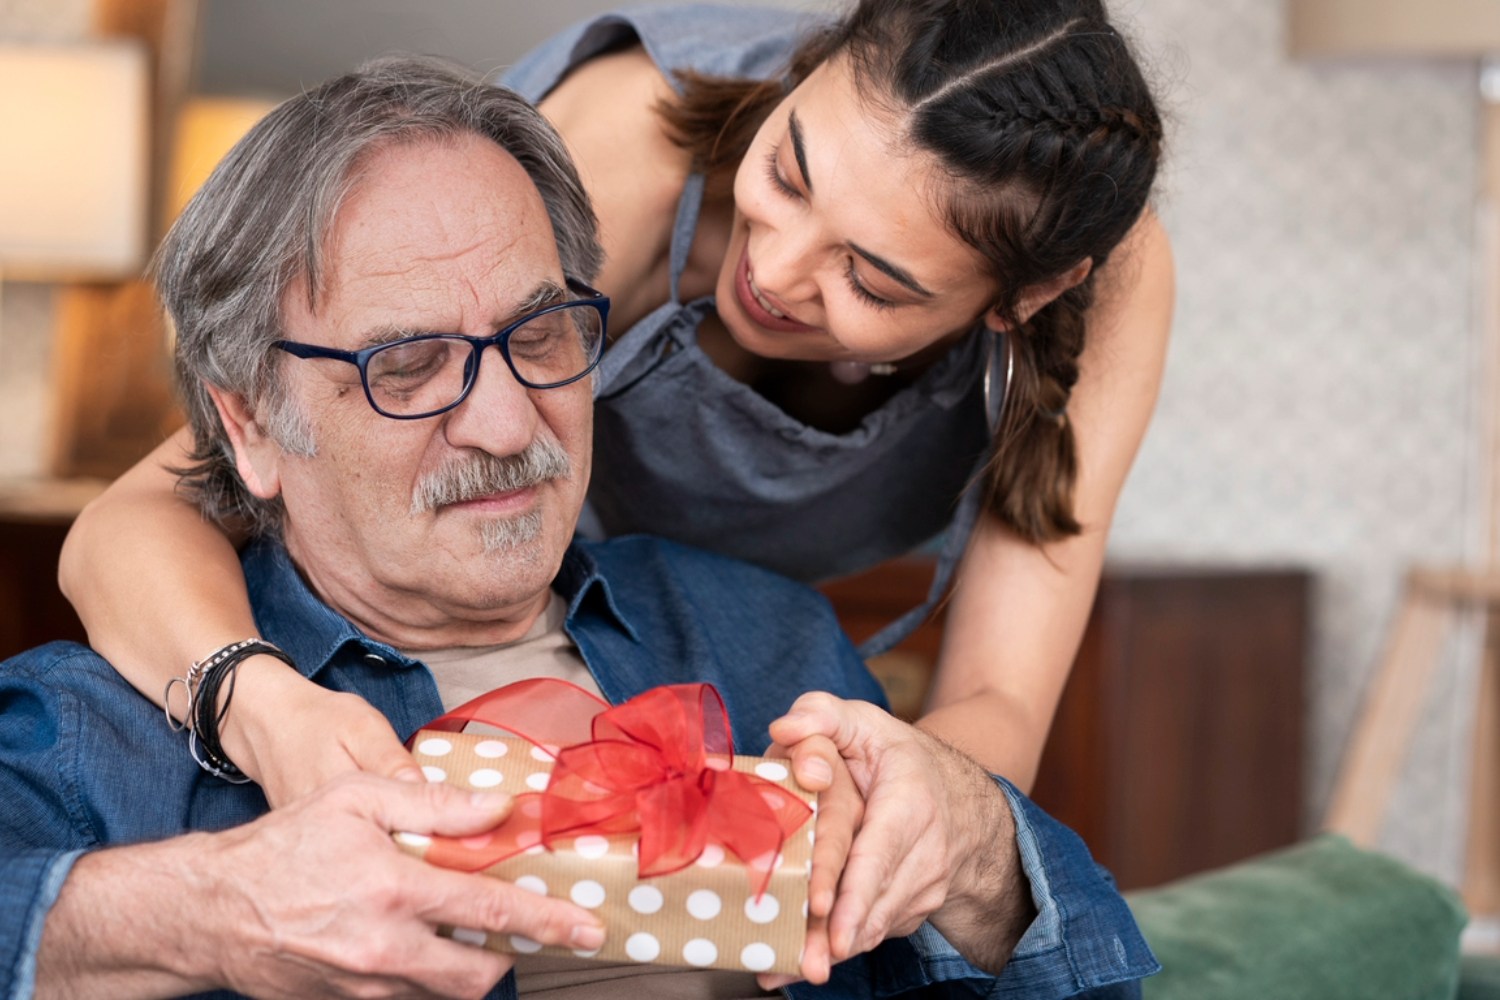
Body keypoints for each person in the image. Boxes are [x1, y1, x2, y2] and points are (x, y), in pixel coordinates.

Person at [1, 58, 1155, 1000]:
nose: (509, 422)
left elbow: (1072, 968)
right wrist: (208, 909)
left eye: (543, 333)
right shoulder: (97, 729)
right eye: (409, 365)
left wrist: (978, 851)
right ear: (250, 423)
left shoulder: (768, 644)